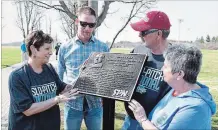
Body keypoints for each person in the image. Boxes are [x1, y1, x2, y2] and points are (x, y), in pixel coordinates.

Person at [128, 43, 217, 129]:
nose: (162, 69)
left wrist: (143, 120)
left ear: (179, 74)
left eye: (166, 67)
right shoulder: (176, 89)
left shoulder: (195, 108)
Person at [8, 30, 79, 130]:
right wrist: (57, 99)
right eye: (47, 48)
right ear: (33, 49)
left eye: (51, 48)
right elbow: (27, 110)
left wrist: (77, 82)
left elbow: (61, 87)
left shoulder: (49, 68)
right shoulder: (17, 76)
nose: (51, 52)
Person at [57, 6, 109, 130]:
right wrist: (61, 93)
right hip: (72, 103)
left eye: (91, 25)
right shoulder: (65, 48)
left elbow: (107, 74)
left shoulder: (103, 47)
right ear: (76, 22)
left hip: (95, 104)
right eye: (83, 24)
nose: (87, 28)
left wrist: (105, 95)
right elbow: (59, 74)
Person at [122, 11, 172, 130]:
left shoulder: (175, 59)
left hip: (155, 124)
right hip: (131, 120)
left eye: (144, 32)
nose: (139, 35)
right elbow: (123, 75)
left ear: (158, 34)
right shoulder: (137, 50)